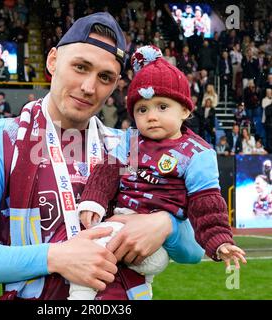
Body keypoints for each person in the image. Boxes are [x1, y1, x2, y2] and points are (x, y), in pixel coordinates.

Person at [0, 12, 206, 301]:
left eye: (105, 77)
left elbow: (195, 251)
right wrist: (56, 257)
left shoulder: (129, 149)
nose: (89, 87)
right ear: (52, 60)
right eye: (80, 67)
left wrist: (165, 225)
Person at [74, 45, 246, 300]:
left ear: (185, 110)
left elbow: (206, 204)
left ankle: (78, 297)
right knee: (99, 257)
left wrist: (220, 242)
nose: (151, 117)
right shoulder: (132, 141)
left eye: (162, 107)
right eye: (142, 110)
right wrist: (93, 201)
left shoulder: (197, 153)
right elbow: (107, 175)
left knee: (88, 255)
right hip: (120, 224)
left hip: (155, 244)